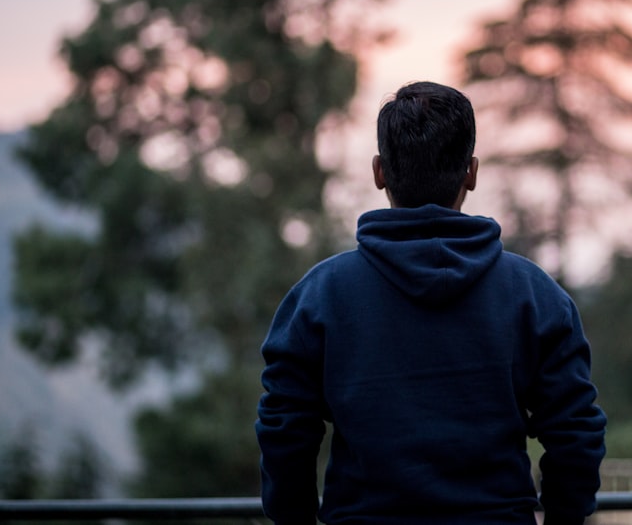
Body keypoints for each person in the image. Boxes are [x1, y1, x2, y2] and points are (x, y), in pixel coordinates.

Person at [256, 81, 606, 525]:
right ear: (471, 173)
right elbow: (576, 435)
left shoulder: (319, 296)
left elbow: (284, 434)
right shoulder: (535, 296)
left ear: (379, 171)